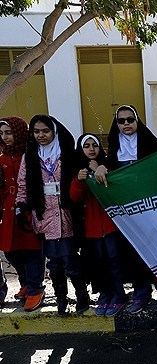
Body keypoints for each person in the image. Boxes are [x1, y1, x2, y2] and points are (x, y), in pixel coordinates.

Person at [93, 105, 157, 314]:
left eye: (130, 119)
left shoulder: (152, 145)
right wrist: (101, 167)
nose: (126, 124)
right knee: (133, 253)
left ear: (137, 121)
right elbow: (106, 167)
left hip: (151, 211)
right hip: (128, 213)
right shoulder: (115, 148)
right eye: (121, 121)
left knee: (156, 251)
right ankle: (141, 293)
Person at [16, 114, 89, 316]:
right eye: (36, 131)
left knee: (70, 260)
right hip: (44, 215)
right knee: (54, 264)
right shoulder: (30, 156)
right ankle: (61, 299)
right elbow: (23, 184)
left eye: (45, 131)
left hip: (66, 214)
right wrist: (21, 208)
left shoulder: (66, 154)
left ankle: (82, 296)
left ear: (54, 132)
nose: (41, 135)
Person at [70, 134, 128, 317]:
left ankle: (119, 295)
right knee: (99, 263)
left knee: (115, 262)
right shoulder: (78, 170)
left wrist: (98, 169)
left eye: (94, 145)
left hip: (110, 226)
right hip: (92, 229)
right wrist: (79, 181)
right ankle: (105, 294)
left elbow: (112, 189)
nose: (91, 149)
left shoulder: (107, 165)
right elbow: (75, 197)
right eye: (86, 146)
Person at [0, 116, 45, 312]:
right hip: (8, 209)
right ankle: (25, 282)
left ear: (19, 132)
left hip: (28, 206)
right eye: (1, 134)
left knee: (32, 249)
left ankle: (36, 288)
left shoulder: (31, 154)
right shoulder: (2, 157)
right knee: (10, 250)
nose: (5, 137)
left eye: (8, 133)